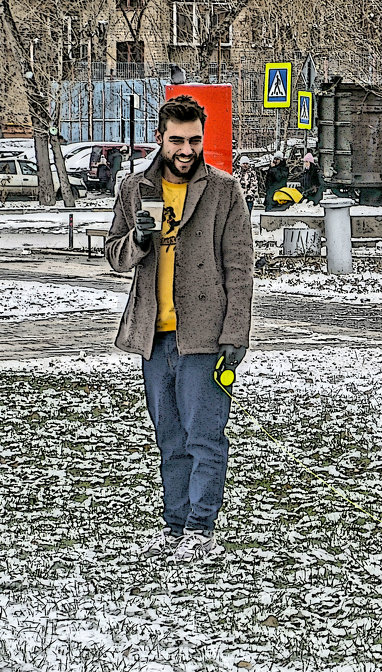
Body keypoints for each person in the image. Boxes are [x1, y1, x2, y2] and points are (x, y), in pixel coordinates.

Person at [105, 94, 254, 563]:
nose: (186, 149)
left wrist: (235, 335)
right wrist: (138, 239)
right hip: (155, 335)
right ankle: (174, 527)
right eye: (177, 140)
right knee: (169, 437)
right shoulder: (135, 189)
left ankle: (200, 527)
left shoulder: (224, 191)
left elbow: (240, 269)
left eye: (194, 140)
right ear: (160, 139)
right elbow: (114, 256)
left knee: (203, 435)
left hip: (204, 336)